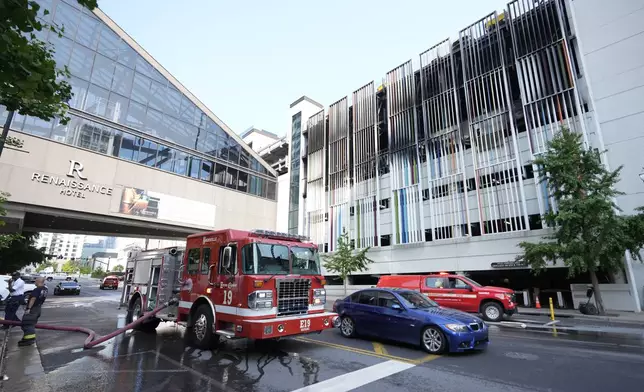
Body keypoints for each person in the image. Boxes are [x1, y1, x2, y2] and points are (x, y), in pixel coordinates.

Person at [19, 277, 48, 347]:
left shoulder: (37, 289)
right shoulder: (45, 289)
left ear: (38, 281)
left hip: (33, 309)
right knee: (30, 324)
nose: (34, 282)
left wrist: (29, 308)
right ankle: (26, 338)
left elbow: (33, 298)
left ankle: (29, 340)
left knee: (27, 324)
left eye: (35, 281)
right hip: (38, 308)